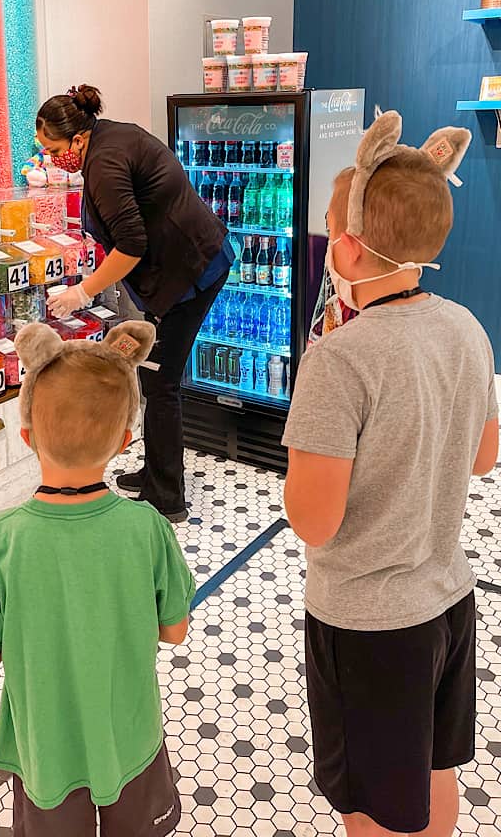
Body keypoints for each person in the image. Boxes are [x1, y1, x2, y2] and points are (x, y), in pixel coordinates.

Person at [282, 110, 499, 837]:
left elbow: (315, 519)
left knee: (373, 809)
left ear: (347, 244)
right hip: (448, 605)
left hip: (368, 627)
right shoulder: (469, 327)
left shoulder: (338, 360)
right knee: (435, 782)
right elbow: (483, 456)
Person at [0, 320, 195, 837]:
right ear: (125, 440)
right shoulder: (148, 527)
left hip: (46, 752)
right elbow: (174, 631)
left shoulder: (0, 539)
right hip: (131, 741)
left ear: (26, 436)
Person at [38, 84, 233, 523]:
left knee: (161, 383)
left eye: (53, 149)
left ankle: (168, 498)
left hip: (191, 273)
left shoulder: (104, 163)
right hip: (182, 266)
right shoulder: (109, 135)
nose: (52, 159)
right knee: (150, 375)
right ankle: (155, 471)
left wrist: (81, 292)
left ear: (78, 139)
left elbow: (131, 246)